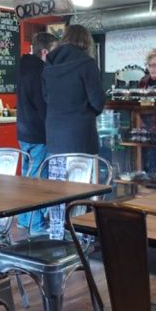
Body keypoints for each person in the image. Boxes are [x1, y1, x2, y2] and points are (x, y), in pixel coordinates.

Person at [42, 24, 106, 239]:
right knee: (80, 190)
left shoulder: (49, 64)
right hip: (80, 136)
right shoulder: (87, 64)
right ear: (86, 42)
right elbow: (97, 101)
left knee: (58, 190)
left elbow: (46, 98)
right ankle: (78, 237)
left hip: (55, 136)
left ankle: (58, 234)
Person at [15, 32, 56, 231]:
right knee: (38, 179)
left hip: (23, 131)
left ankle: (24, 220)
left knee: (27, 178)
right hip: (39, 132)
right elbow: (43, 106)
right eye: (54, 51)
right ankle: (36, 224)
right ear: (45, 52)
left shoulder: (22, 67)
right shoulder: (41, 72)